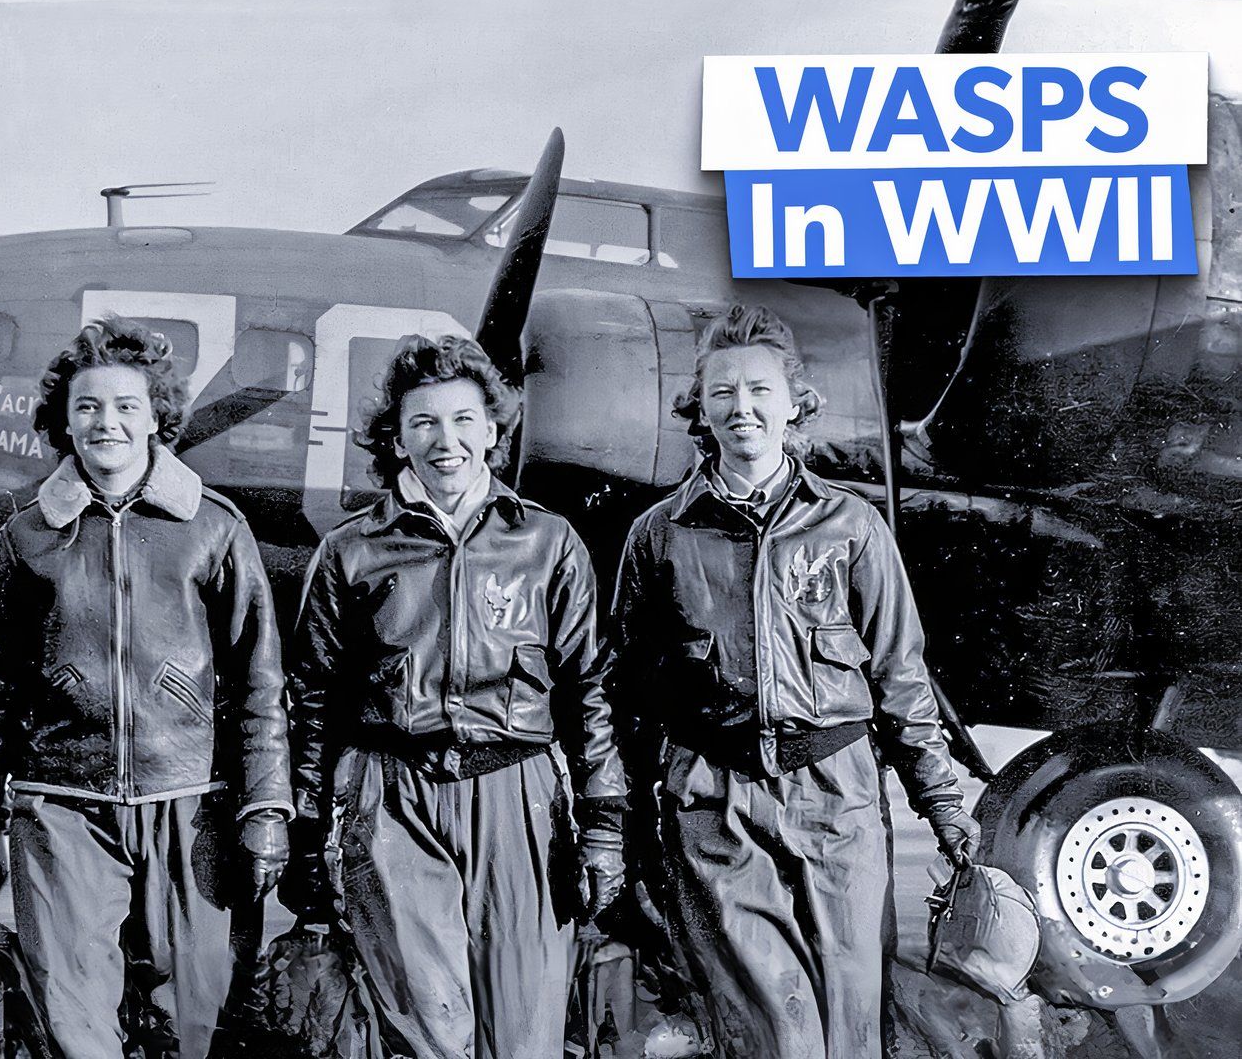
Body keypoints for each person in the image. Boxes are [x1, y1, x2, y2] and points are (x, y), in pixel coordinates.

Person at [606, 304, 980, 1059]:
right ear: (700, 410)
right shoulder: (658, 536)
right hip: (714, 801)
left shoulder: (852, 528)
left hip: (837, 796)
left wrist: (944, 807)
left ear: (794, 403)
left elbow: (901, 675)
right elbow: (627, 697)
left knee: (852, 1031)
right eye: (722, 394)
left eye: (759, 390)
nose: (741, 408)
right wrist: (624, 830)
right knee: (777, 1033)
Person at [0, 316, 293, 1059]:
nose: (108, 422)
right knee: (72, 1023)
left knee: (187, 1028)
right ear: (63, 421)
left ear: (157, 415)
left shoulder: (215, 528)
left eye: (127, 405)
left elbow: (259, 683)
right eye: (89, 406)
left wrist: (266, 807)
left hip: (187, 806)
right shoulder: (27, 536)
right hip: (60, 811)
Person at [286, 334, 626, 1059]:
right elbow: (313, 700)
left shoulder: (547, 542)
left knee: (525, 1031)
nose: (447, 441)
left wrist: (602, 824)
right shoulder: (351, 551)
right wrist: (309, 831)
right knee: (428, 1031)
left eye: (464, 420)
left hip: (518, 793)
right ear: (397, 439)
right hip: (392, 797)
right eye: (424, 423)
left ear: (494, 432)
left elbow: (589, 689)